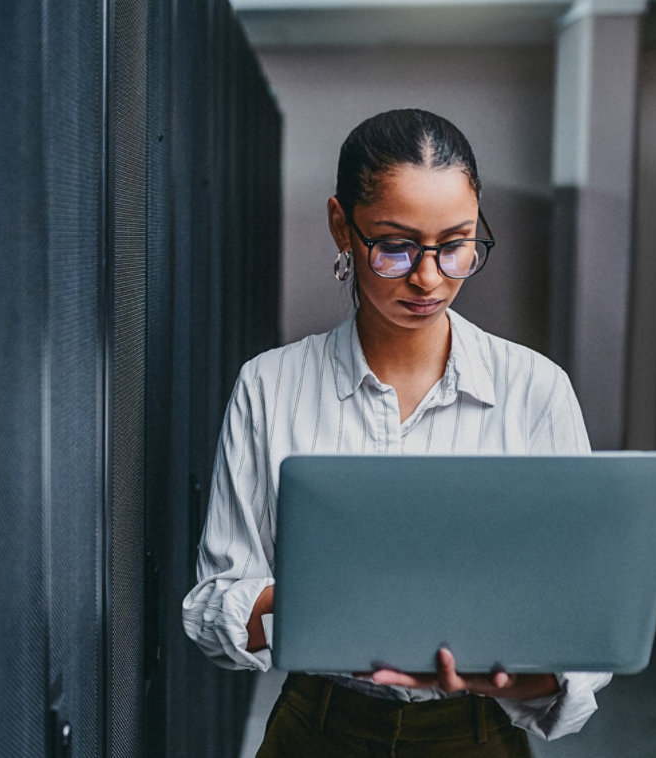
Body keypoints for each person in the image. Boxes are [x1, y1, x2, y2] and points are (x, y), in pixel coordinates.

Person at [181, 109, 611, 757]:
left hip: (477, 729)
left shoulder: (534, 388)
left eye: (456, 242)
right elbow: (215, 611)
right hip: (317, 728)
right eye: (396, 245)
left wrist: (522, 673)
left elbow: (583, 618)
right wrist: (332, 594)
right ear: (341, 227)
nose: (429, 276)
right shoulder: (269, 386)